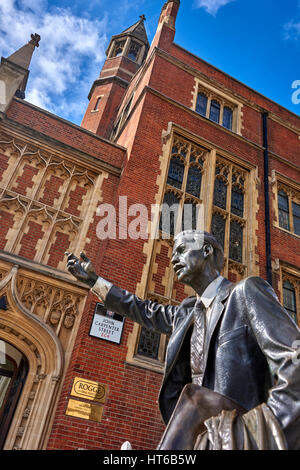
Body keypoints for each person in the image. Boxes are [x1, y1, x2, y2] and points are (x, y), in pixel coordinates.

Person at [66, 230, 300, 449]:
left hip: (234, 435)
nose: (172, 259)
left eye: (181, 251)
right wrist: (95, 282)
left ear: (207, 251)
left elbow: (295, 361)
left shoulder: (245, 292)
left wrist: (262, 432)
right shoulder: (187, 313)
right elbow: (144, 310)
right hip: (200, 436)